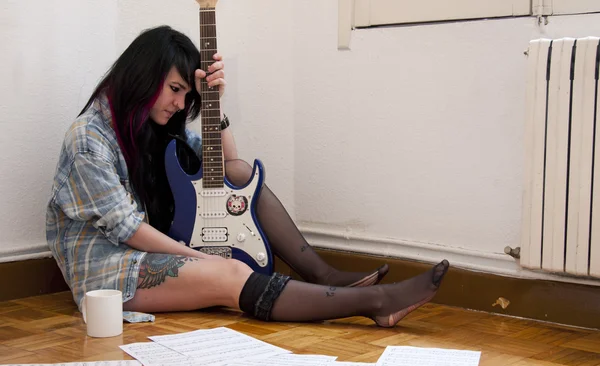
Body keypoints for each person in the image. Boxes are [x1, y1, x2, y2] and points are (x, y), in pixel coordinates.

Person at [46, 26, 450, 328]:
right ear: (142, 76)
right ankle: (377, 302)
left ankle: (325, 276)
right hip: (108, 272)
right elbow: (129, 229)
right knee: (232, 274)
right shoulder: (89, 138)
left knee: (239, 174)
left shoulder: (152, 127)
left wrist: (213, 105)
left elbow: (229, 171)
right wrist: (199, 258)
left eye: (187, 95)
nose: (179, 103)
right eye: (174, 89)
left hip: (153, 251)